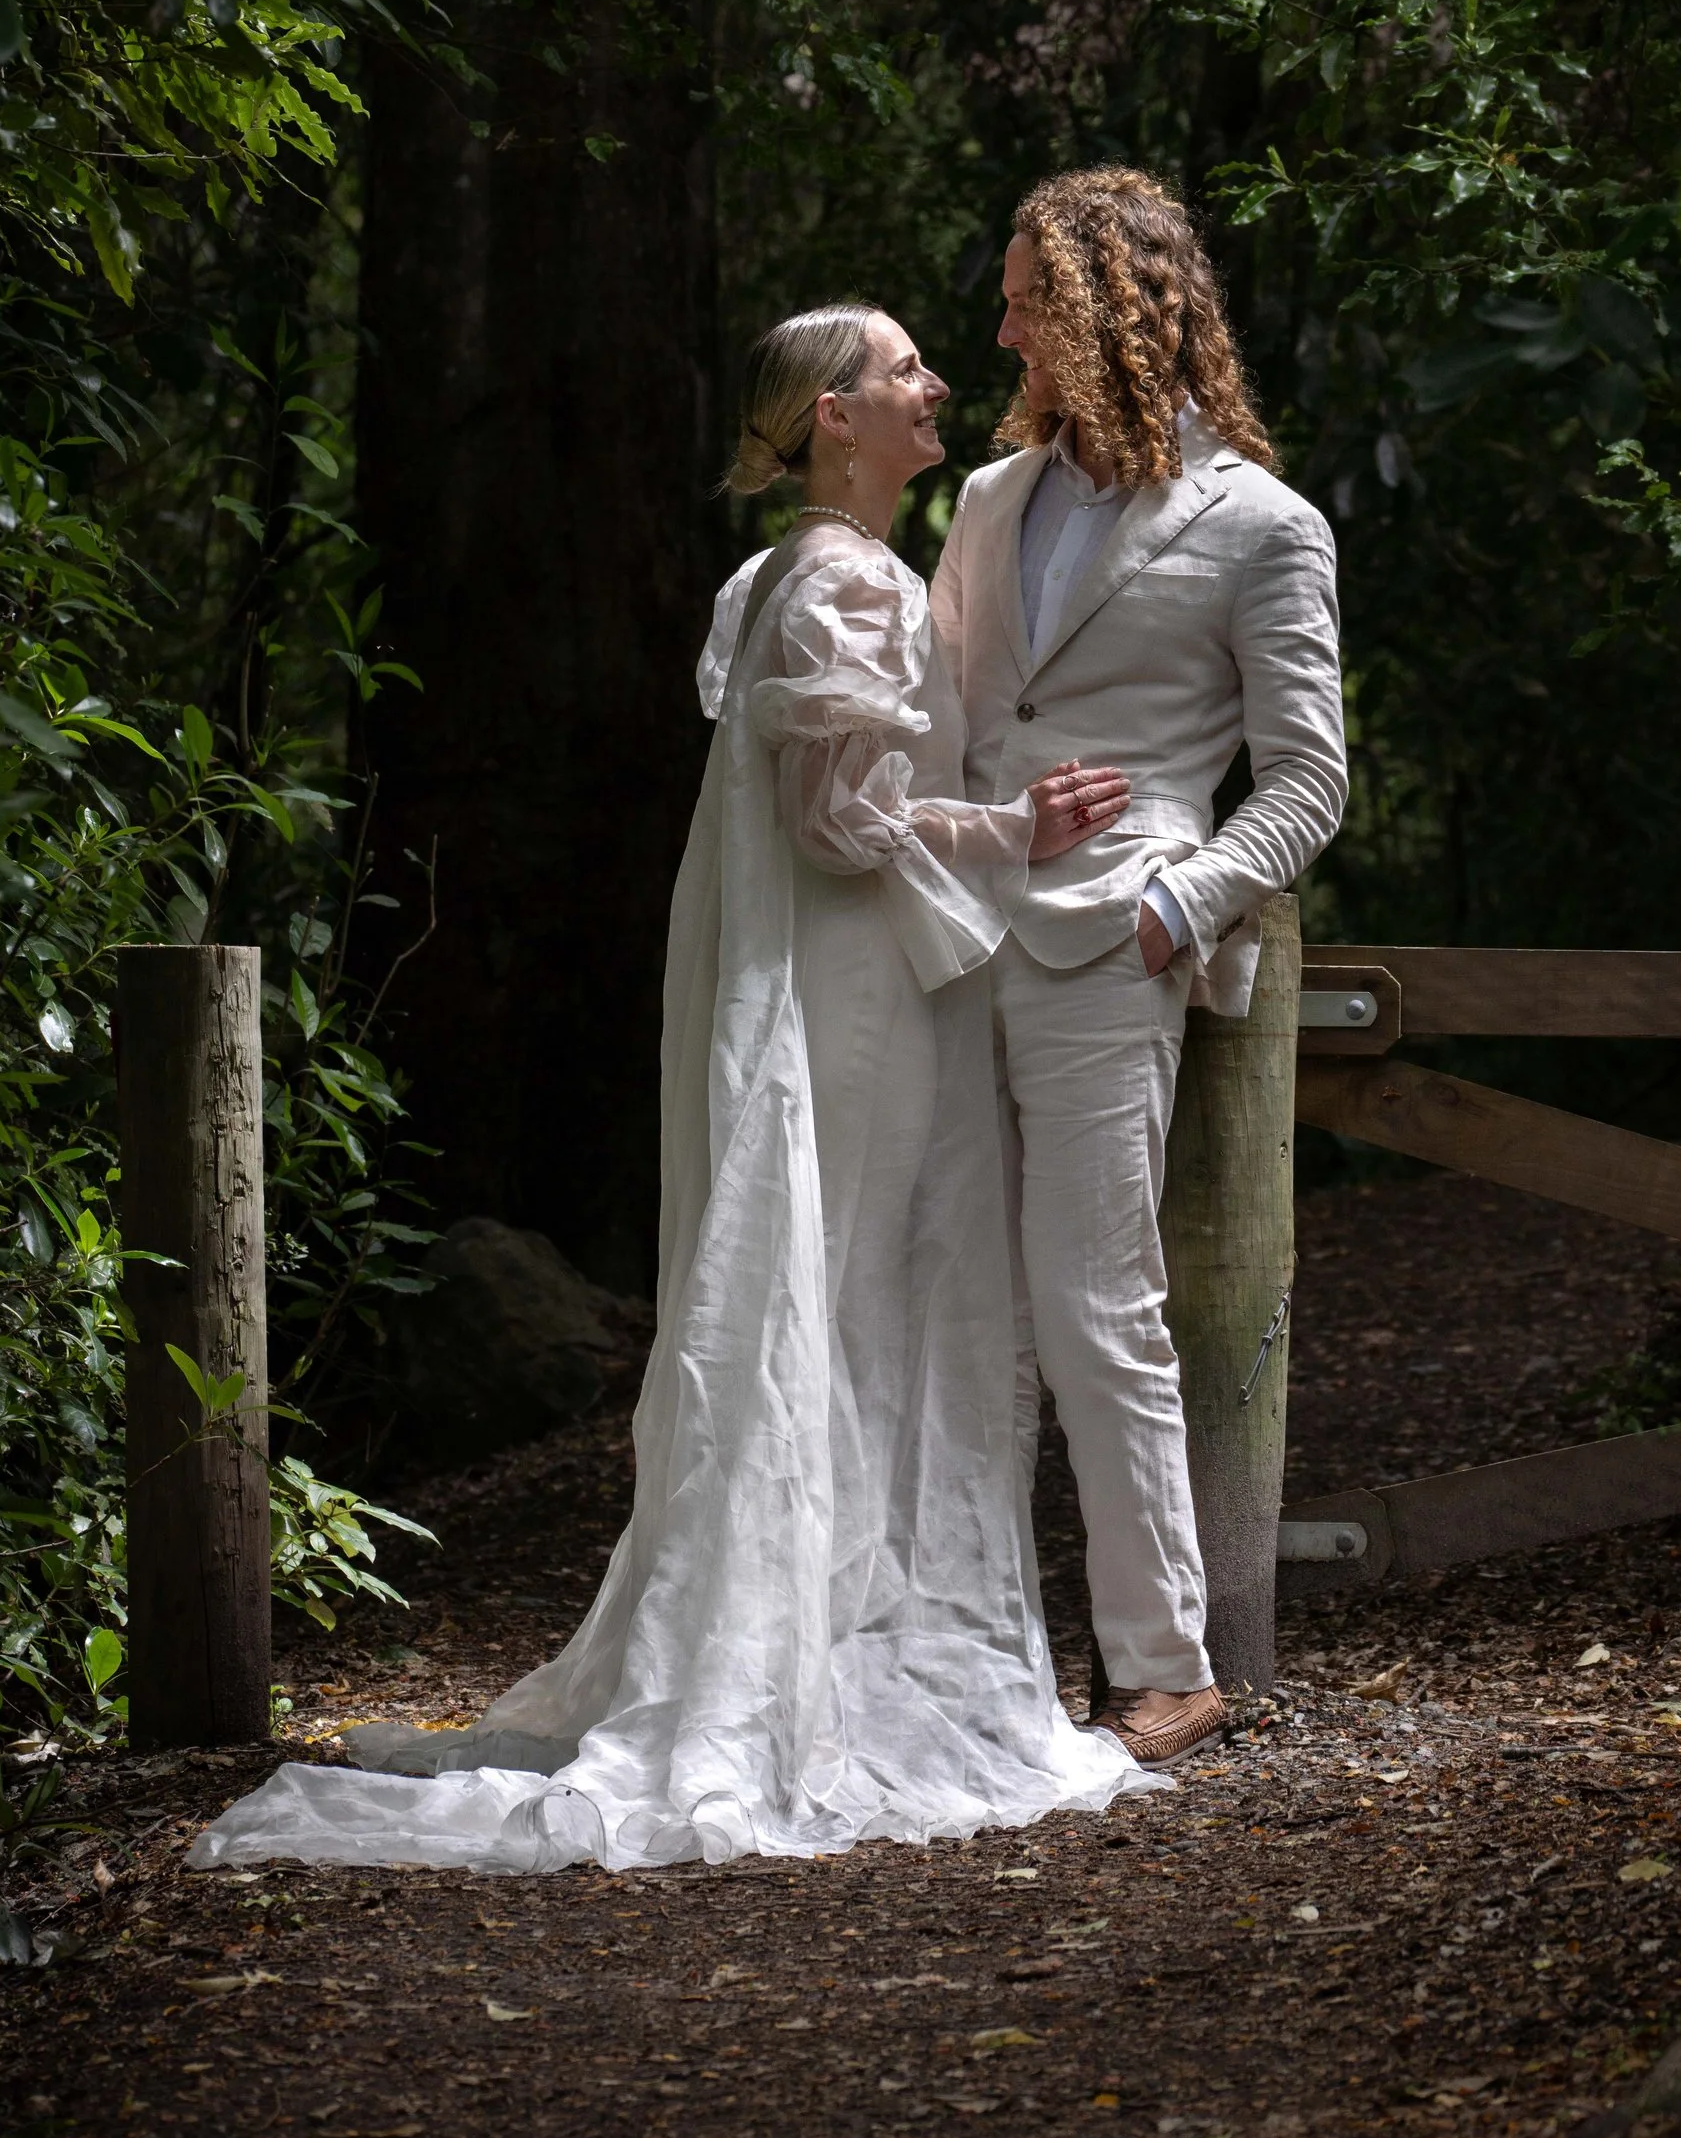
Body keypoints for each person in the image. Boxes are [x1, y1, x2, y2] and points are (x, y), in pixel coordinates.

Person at [190, 304, 1146, 1876]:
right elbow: (843, 821)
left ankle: (827, 1641)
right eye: (906, 369)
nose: (935, 385)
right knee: (834, 1291)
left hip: (850, 988)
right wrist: (1013, 830)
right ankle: (795, 1668)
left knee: (832, 1297)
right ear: (834, 416)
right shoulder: (836, 575)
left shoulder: (822, 571)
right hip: (848, 999)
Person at [932, 166, 1349, 1765]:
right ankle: (965, 1652)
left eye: (1028, 294)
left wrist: (1183, 905)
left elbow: (1307, 778)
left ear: (1105, 304)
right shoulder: (984, 498)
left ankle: (1166, 1663)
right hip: (954, 931)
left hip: (1116, 941)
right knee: (954, 1295)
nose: (1004, 324)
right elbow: (955, 719)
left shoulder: (1261, 523)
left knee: (1098, 1297)